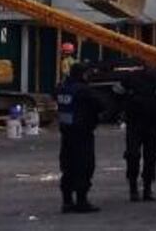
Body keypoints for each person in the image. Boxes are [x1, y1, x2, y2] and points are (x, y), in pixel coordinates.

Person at [56, 63, 102, 213]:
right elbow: (101, 104)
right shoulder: (83, 90)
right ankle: (81, 201)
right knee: (84, 166)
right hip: (82, 133)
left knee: (68, 167)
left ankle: (67, 201)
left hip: (67, 134)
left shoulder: (63, 89)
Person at [117, 66, 156, 202]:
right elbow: (117, 92)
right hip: (136, 122)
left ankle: (147, 189)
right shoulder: (133, 77)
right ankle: (134, 189)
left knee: (151, 157)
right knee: (133, 155)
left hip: (151, 124)